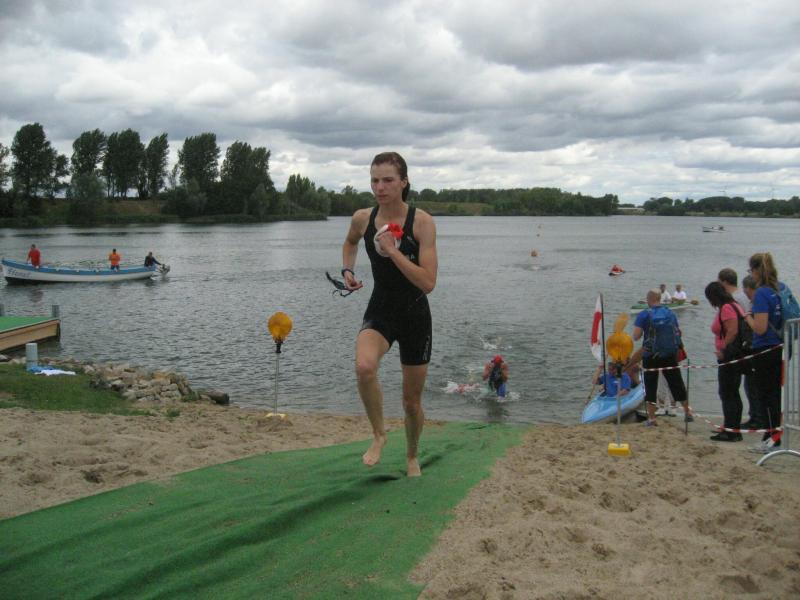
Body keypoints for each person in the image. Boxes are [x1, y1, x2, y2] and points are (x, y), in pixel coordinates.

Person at [340, 152, 437, 477]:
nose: (379, 187)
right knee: (364, 367)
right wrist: (347, 270)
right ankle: (379, 434)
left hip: (415, 314)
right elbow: (350, 243)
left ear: (404, 182)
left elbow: (428, 282)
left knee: (411, 402)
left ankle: (412, 455)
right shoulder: (362, 218)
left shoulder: (421, 222)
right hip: (381, 306)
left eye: (387, 180)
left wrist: (393, 252)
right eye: (374, 180)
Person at [742, 252, 784, 449]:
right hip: (779, 346)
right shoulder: (780, 288)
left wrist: (747, 317)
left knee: (765, 395)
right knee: (774, 394)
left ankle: (771, 438)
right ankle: (774, 437)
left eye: (751, 270)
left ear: (756, 270)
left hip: (765, 348)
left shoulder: (761, 293)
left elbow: (760, 327)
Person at [633, 289, 691, 426]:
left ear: (648, 299)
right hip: (669, 354)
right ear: (660, 299)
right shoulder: (670, 313)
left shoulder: (644, 314)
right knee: (676, 382)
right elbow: (678, 332)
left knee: (650, 386)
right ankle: (687, 412)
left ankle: (652, 419)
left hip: (651, 355)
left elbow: (636, 336)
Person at [704, 281, 745, 441]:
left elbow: (732, 330)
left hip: (730, 356)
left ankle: (731, 431)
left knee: (727, 392)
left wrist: (723, 350)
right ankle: (732, 428)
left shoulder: (727, 308)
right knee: (732, 392)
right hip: (735, 355)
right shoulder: (736, 305)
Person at [719, 268, 756, 424]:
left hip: (738, 348)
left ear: (724, 282)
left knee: (732, 388)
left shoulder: (733, 299)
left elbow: (734, 327)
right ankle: (753, 416)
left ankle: (739, 421)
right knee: (747, 384)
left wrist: (724, 347)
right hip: (746, 345)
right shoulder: (743, 296)